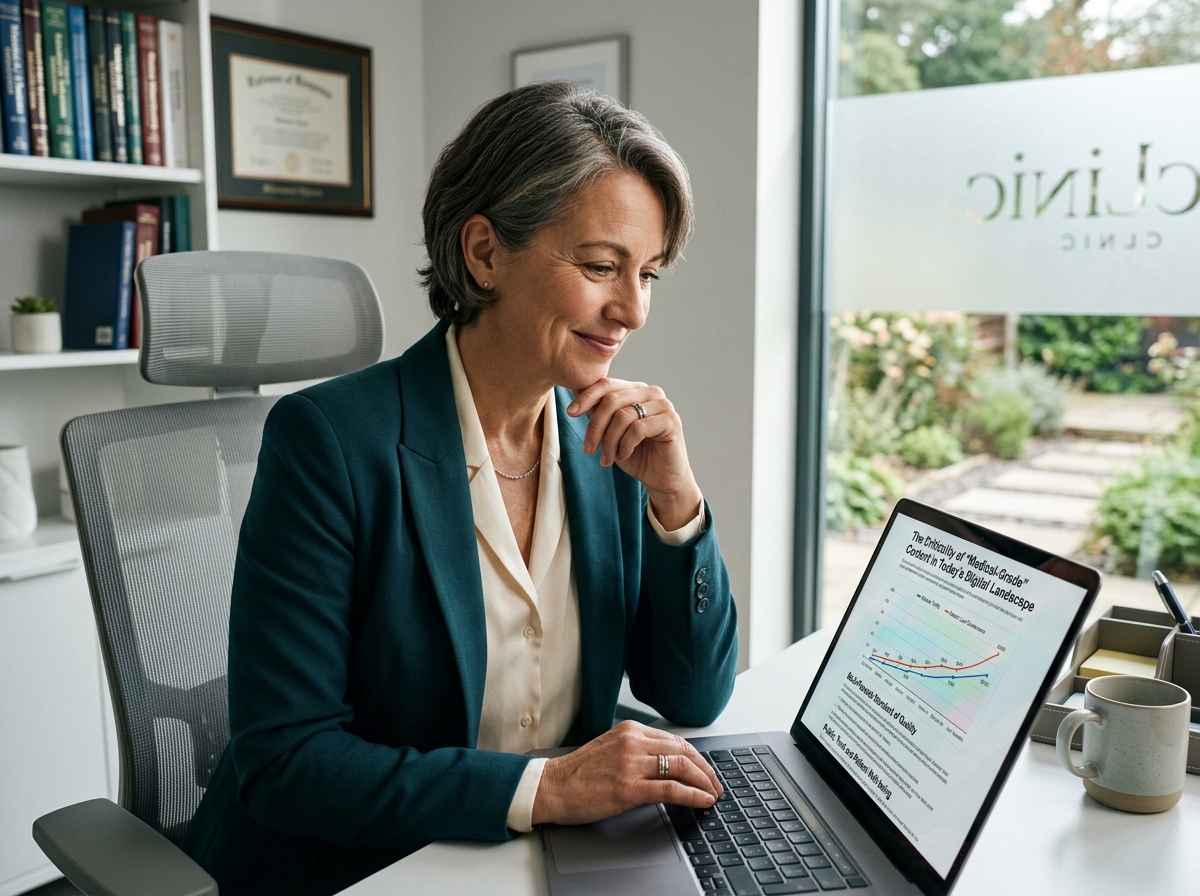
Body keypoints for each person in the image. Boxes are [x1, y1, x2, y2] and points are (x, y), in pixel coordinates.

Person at [182, 81, 739, 896]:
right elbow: (287, 762)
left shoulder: (609, 441)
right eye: (599, 266)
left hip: (537, 860)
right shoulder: (328, 443)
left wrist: (676, 505)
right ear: (484, 253)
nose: (632, 310)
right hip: (366, 867)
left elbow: (692, 694)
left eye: (648, 274)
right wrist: (547, 790)